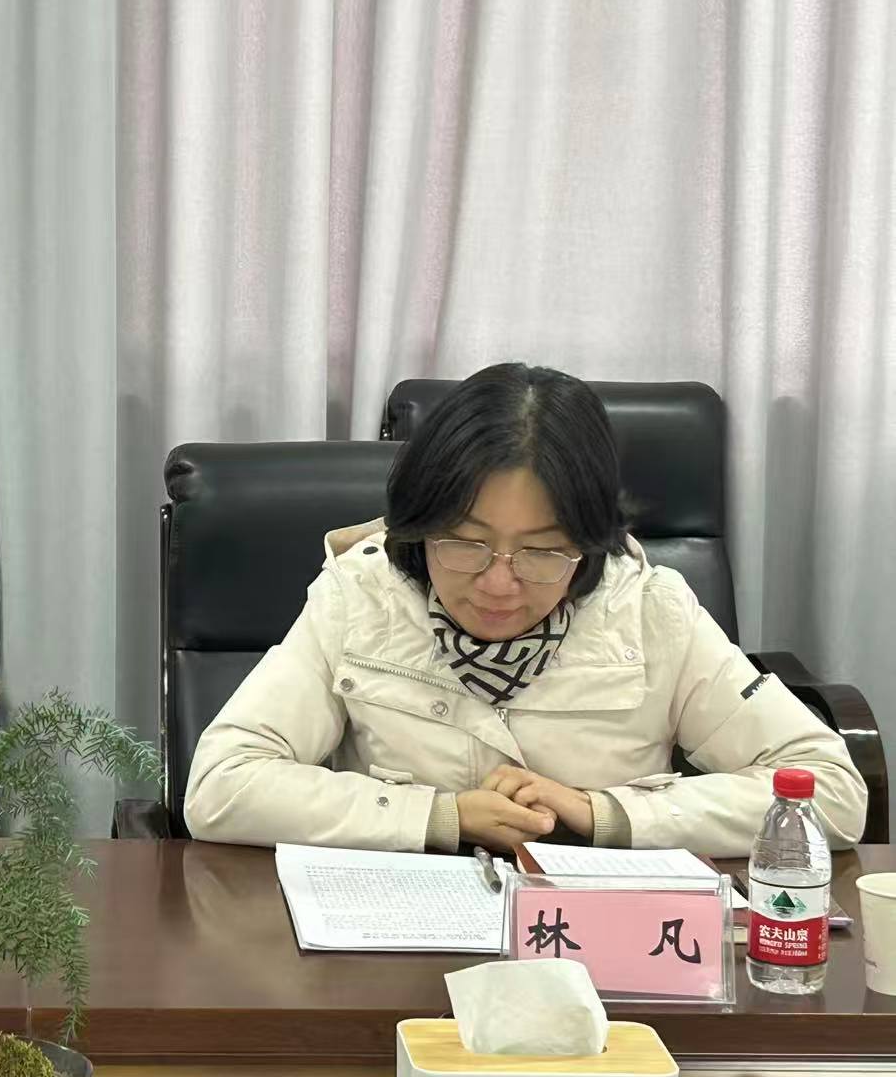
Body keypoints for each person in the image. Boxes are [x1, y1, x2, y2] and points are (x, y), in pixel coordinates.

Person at [185, 364, 866, 858]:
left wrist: (607, 814)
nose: (499, 583)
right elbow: (222, 785)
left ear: (589, 542)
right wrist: (438, 817)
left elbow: (832, 793)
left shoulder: (649, 608)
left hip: (600, 958)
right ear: (418, 527)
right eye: (465, 543)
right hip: (396, 949)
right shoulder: (362, 595)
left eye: (542, 551)